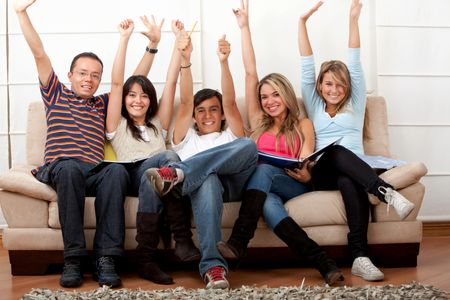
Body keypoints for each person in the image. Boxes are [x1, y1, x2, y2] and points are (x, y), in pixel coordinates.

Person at [217, 0, 344, 286]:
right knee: (270, 205)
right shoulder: (258, 123)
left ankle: (239, 241)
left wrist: (308, 172)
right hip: (262, 190)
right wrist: (244, 28)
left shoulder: (303, 124)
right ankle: (324, 263)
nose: (269, 101)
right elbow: (251, 74)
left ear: (286, 96)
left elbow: (307, 157)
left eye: (275, 95)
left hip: (293, 182)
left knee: (262, 171)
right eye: (264, 97)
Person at [294, 0, 415, 281]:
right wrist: (302, 23)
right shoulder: (313, 103)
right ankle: (385, 192)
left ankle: (360, 256)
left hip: (353, 172)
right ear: (320, 87)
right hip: (322, 172)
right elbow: (306, 65)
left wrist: (353, 20)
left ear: (347, 87)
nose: (334, 89)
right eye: (328, 84)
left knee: (350, 181)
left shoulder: (356, 103)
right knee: (334, 151)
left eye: (339, 84)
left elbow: (354, 58)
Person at [14, 0, 129, 288]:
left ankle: (106, 258)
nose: (88, 80)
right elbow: (39, 53)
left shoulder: (102, 104)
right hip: (61, 168)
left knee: (115, 171)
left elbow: (119, 85)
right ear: (70, 75)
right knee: (69, 168)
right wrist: (21, 13)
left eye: (94, 75)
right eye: (82, 73)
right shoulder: (56, 94)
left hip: (93, 171)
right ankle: (74, 258)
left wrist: (132, 42)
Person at [146, 30, 258, 289]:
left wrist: (224, 62)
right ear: (194, 117)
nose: (208, 116)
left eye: (214, 110)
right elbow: (184, 102)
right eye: (201, 111)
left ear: (222, 115)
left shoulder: (231, 132)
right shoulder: (186, 138)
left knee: (249, 146)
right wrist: (186, 59)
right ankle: (214, 268)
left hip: (231, 185)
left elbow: (230, 103)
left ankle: (179, 172)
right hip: (200, 189)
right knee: (207, 180)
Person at [106, 18, 200, 285]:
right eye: (132, 95)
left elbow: (170, 84)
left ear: (151, 101)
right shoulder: (117, 125)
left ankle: (145, 258)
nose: (138, 100)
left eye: (144, 95)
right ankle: (182, 239)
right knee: (169, 158)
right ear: (125, 100)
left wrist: (178, 42)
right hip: (130, 174)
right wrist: (124, 40)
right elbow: (115, 84)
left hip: (154, 178)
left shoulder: (158, 124)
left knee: (158, 170)